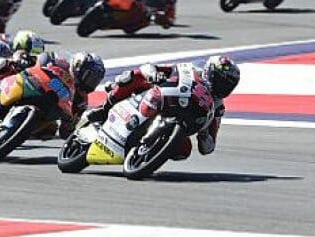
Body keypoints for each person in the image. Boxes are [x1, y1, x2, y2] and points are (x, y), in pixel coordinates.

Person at [85, 55, 240, 159]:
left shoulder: (218, 107)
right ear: (210, 73)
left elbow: (208, 148)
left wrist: (205, 132)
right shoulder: (190, 70)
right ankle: (105, 108)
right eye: (221, 81)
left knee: (184, 151)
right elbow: (149, 67)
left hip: (180, 120)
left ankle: (149, 153)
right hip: (160, 98)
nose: (224, 87)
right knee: (134, 76)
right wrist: (154, 74)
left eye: (228, 85)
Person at [0, 49, 105, 140]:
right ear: (78, 67)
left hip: (46, 111)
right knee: (2, 65)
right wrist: (22, 59)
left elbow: (66, 133)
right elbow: (34, 58)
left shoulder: (81, 100)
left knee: (50, 130)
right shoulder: (59, 62)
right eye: (90, 77)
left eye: (95, 81)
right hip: (31, 86)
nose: (91, 83)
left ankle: (13, 134)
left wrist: (70, 124)